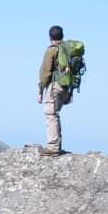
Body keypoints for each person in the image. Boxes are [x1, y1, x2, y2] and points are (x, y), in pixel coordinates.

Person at [37, 25, 69, 155]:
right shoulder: (67, 49)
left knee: (50, 114)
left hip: (55, 85)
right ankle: (57, 145)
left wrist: (40, 91)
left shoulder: (51, 51)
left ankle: (53, 147)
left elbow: (45, 72)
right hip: (66, 86)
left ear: (50, 37)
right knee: (55, 114)